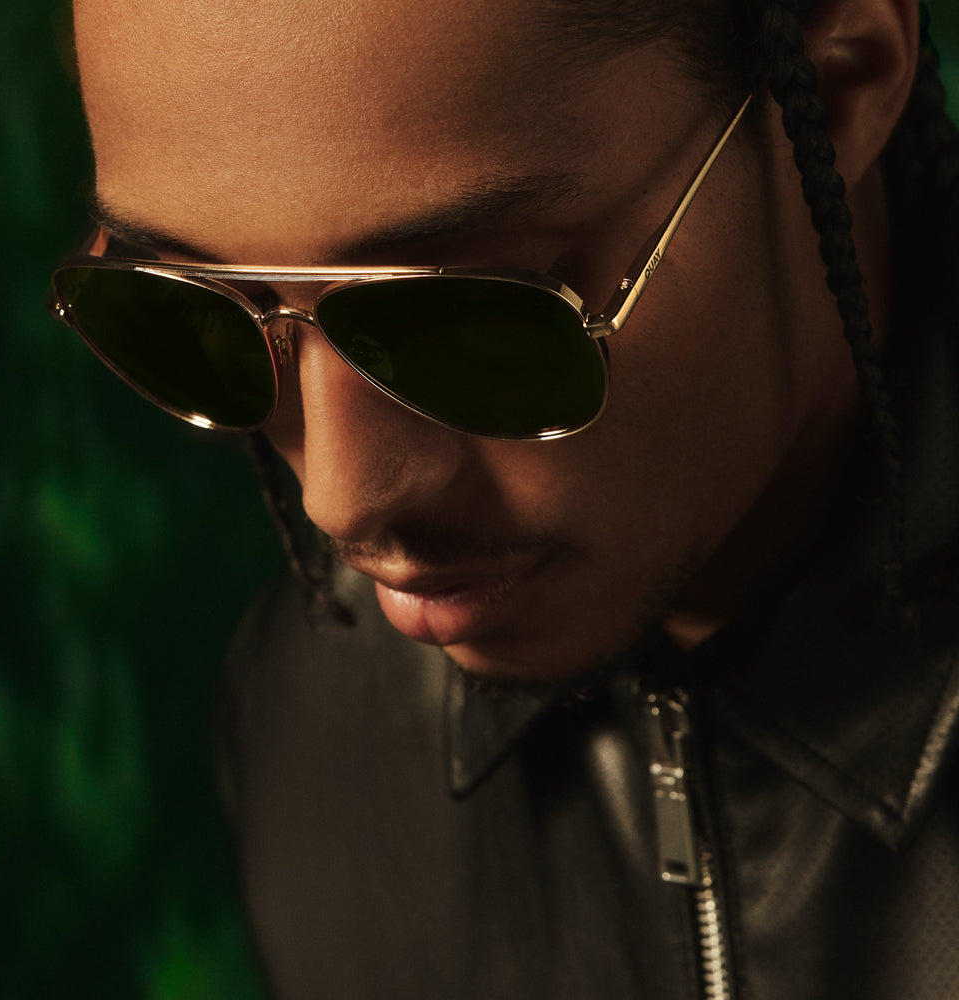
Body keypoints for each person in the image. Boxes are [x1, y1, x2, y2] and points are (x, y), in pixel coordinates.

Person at [52, 0, 959, 995]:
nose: (342, 501)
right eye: (194, 312)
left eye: (470, 314)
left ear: (836, 90)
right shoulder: (313, 729)